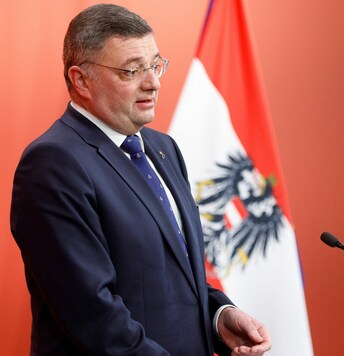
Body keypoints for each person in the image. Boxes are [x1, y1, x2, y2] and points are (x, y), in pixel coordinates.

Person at [10, 4, 270, 355]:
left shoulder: (163, 148)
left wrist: (219, 316)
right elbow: (93, 315)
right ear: (80, 79)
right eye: (131, 71)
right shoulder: (52, 164)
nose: (153, 83)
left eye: (156, 65)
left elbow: (172, 275)